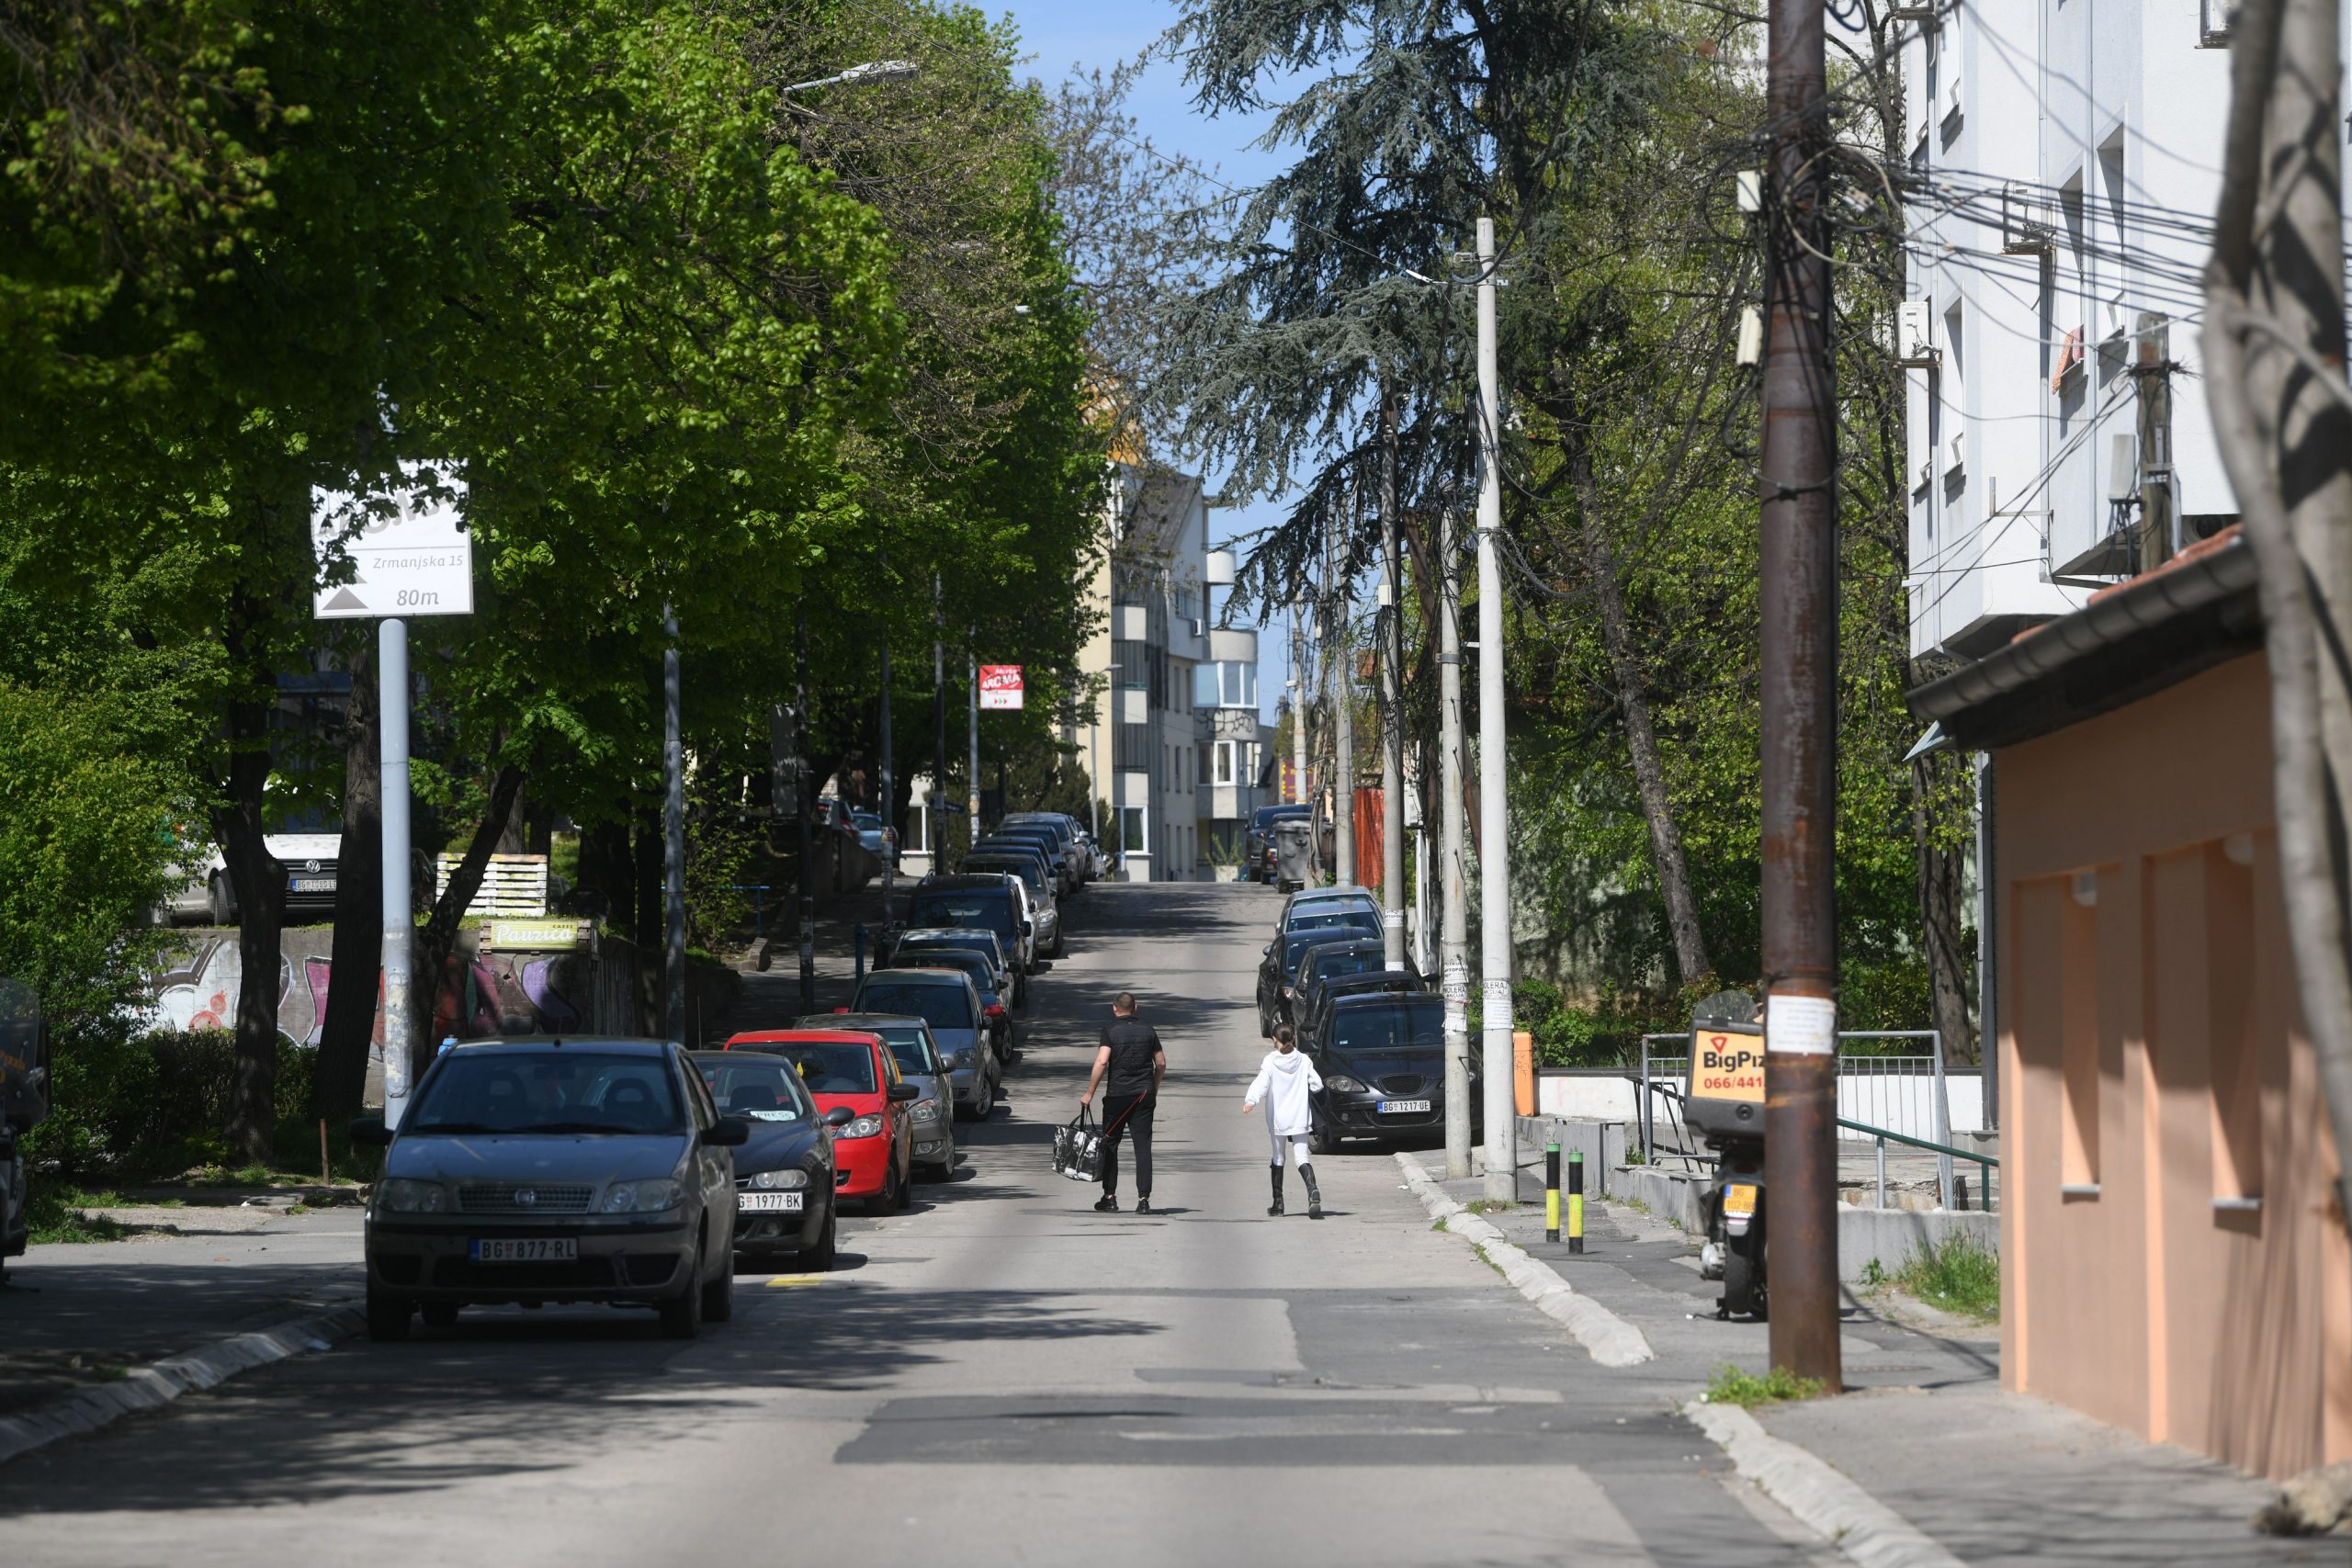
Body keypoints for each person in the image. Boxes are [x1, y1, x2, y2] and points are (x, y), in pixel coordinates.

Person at [1080, 991, 1165, 1213]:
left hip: (1117, 1097)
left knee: (1110, 1145)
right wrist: (1153, 1088)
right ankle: (1144, 1200)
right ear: (1135, 1008)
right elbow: (1161, 1063)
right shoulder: (1148, 1029)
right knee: (1143, 1147)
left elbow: (1102, 1061)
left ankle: (1110, 1197)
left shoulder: (1110, 1030)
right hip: (1143, 1096)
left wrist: (1089, 1092)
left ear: (1114, 1009)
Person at [1243, 1023, 1324, 1218]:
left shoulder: (1270, 1061)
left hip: (1278, 1117)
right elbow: (1318, 1084)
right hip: (1299, 1116)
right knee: (1302, 1158)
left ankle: (1278, 1205)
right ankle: (1312, 1189)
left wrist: (1250, 1100)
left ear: (1275, 1041)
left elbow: (1261, 1084)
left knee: (1278, 1157)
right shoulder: (1304, 1060)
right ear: (1293, 1039)